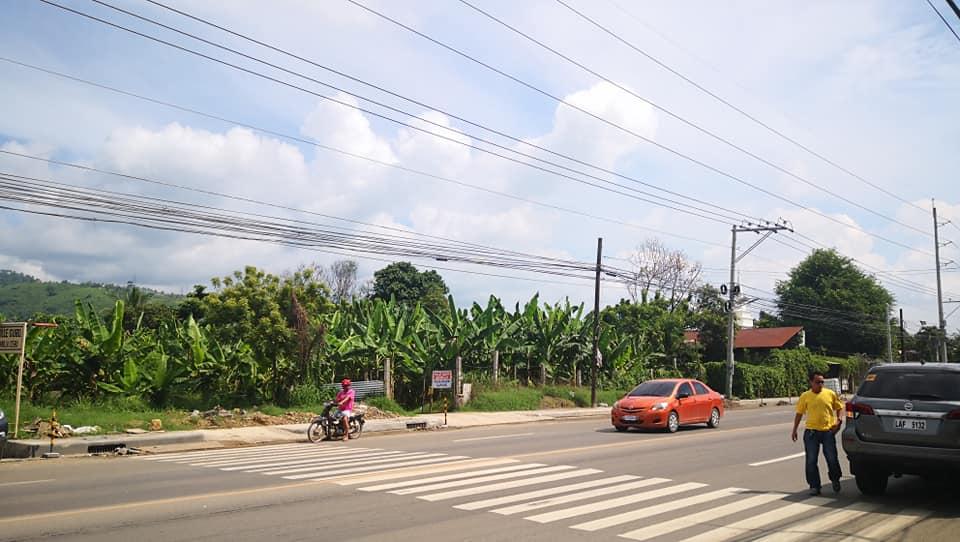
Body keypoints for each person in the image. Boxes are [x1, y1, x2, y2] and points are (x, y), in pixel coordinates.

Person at [791, 371, 844, 495]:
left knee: (831, 459)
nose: (820, 384)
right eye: (817, 382)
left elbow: (840, 407)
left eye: (822, 382)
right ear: (811, 382)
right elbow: (799, 413)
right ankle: (814, 486)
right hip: (811, 433)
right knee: (811, 460)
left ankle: (835, 479)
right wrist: (794, 429)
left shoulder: (830, 394)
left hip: (828, 432)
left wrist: (839, 421)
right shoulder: (805, 396)